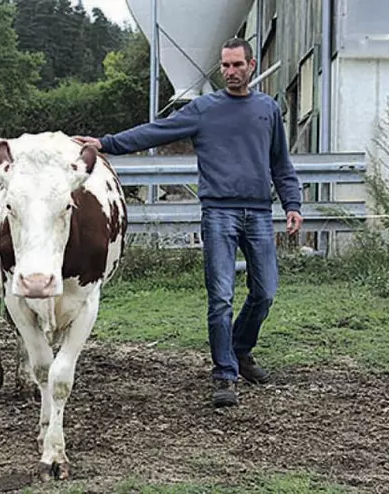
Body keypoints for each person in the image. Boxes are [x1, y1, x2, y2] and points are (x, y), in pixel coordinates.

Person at [74, 37, 303, 408]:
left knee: (265, 293)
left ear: (252, 66)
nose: (230, 72)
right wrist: (106, 143)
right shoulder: (203, 109)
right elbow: (156, 131)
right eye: (225, 66)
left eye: (236, 65)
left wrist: (292, 203)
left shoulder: (268, 109)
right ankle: (225, 374)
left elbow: (280, 163)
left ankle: (240, 350)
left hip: (259, 212)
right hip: (219, 213)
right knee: (221, 298)